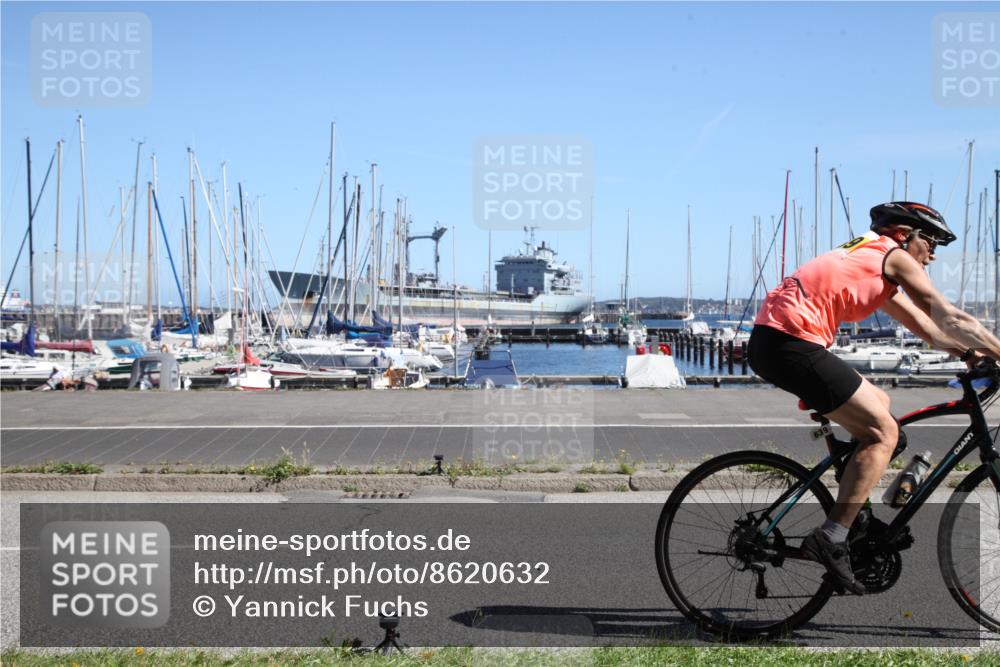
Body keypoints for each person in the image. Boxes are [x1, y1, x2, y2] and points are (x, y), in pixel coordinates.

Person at [748, 201, 1000, 594]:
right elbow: (950, 316)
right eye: (931, 242)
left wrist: (971, 355)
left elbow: (930, 329)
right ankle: (832, 536)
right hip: (789, 344)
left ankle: (855, 516)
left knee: (883, 414)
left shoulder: (871, 262)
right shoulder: (891, 256)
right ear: (904, 234)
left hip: (781, 342)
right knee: (882, 434)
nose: (933, 254)